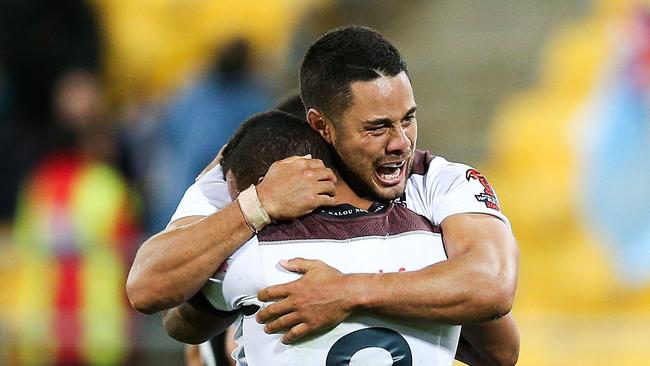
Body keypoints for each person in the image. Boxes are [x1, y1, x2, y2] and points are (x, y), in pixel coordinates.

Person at [127, 26, 519, 365]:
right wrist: (256, 206)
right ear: (321, 126)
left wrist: (347, 291)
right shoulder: (239, 176)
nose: (401, 142)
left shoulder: (437, 181)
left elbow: (495, 294)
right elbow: (151, 289)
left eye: (409, 118)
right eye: (377, 127)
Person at [165, 110, 463, 365]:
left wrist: (207, 193)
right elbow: (499, 348)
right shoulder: (432, 245)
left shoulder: (253, 255)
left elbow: (170, 313)